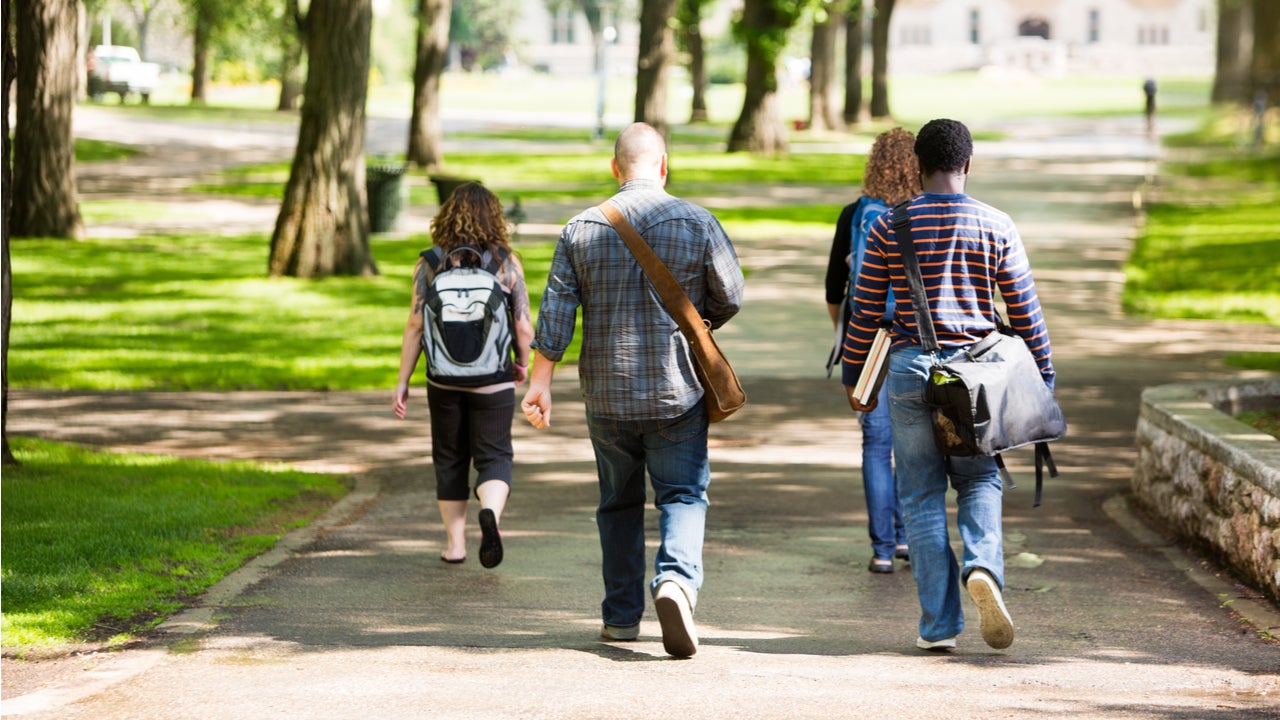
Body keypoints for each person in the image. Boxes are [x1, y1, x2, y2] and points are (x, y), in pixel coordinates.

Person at [520, 122, 745, 658]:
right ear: (664, 165)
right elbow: (730, 294)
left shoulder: (580, 229)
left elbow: (556, 315)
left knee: (617, 504)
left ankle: (621, 618)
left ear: (615, 168)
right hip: (677, 389)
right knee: (683, 494)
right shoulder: (698, 221)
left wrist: (540, 385)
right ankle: (675, 583)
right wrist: (696, 321)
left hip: (607, 393)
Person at [841, 119, 1055, 652]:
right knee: (979, 479)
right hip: (977, 376)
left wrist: (854, 378)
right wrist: (1043, 377)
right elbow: (1027, 315)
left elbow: (864, 312)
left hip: (911, 369)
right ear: (969, 163)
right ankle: (982, 566)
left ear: (918, 165)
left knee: (919, 496)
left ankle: (938, 627)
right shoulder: (996, 224)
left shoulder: (890, 225)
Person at [393, 182, 534, 569]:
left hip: (443, 379)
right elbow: (523, 326)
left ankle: (455, 545)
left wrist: (403, 380)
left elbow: (415, 326)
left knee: (450, 457)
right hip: (494, 377)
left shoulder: (430, 262)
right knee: (494, 455)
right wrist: (522, 364)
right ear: (495, 217)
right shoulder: (506, 262)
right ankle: (490, 512)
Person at [823, 128, 920, 574]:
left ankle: (882, 548)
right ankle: (906, 538)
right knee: (915, 443)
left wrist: (849, 337)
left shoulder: (854, 214)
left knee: (876, 444)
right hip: (917, 340)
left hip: (870, 340)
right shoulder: (925, 213)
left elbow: (833, 289)